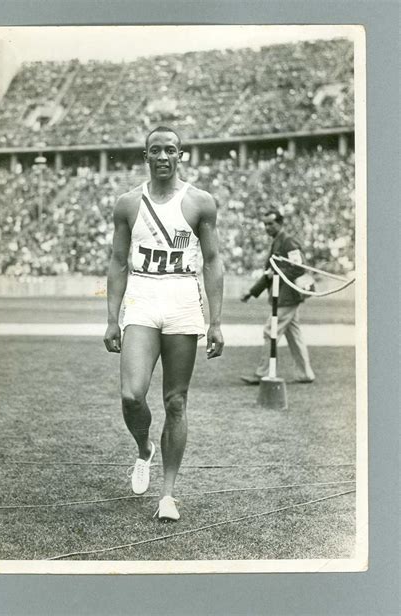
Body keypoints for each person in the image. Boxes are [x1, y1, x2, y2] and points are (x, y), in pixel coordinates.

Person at [103, 126, 224, 521]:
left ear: (180, 155)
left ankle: (168, 494)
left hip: (183, 298)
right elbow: (119, 262)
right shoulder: (127, 203)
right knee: (131, 395)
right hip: (142, 295)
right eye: (155, 150)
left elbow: (212, 261)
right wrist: (111, 319)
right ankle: (144, 449)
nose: (163, 157)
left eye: (170, 150)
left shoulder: (199, 202)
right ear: (145, 156)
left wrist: (216, 321)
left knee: (176, 400)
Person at [240, 208, 315, 384]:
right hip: (282, 295)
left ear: (280, 223)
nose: (267, 228)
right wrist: (252, 292)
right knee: (294, 335)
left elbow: (299, 267)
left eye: (271, 224)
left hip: (288, 297)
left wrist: (277, 273)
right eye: (265, 224)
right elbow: (270, 273)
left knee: (270, 330)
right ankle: (305, 374)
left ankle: (262, 374)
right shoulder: (277, 242)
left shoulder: (288, 242)